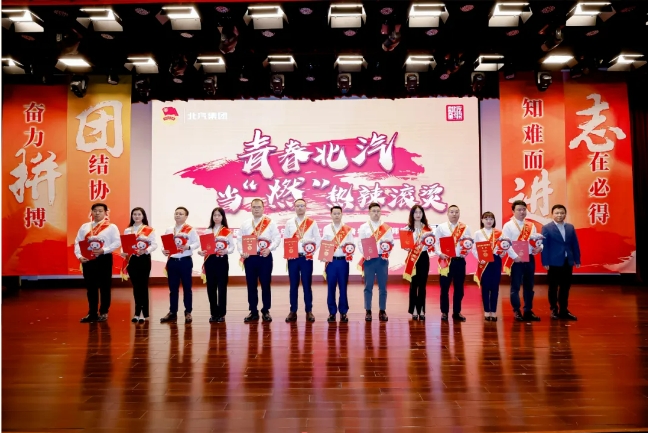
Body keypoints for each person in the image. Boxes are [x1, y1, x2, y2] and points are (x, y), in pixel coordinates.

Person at [74, 203, 121, 323]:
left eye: (100, 211)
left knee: (105, 286)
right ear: (91, 212)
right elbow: (77, 242)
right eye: (95, 210)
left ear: (105, 213)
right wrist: (79, 256)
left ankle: (104, 312)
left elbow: (117, 242)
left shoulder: (111, 227)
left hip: (104, 258)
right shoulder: (85, 227)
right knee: (91, 287)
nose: (97, 213)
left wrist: (104, 250)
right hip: (88, 259)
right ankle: (92, 313)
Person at [237, 198, 281, 323]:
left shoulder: (270, 223)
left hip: (265, 257)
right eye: (254, 207)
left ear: (263, 208)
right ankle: (253, 311)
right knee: (251, 285)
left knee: (265, 284)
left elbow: (277, 238)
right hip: (250, 258)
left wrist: (269, 249)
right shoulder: (245, 224)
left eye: (259, 207)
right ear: (251, 208)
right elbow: (239, 240)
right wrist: (242, 252)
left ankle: (266, 310)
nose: (256, 209)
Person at [502, 200, 543, 322]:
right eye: (519, 210)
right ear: (513, 211)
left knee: (529, 286)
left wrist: (539, 247)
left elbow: (536, 240)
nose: (522, 212)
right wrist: (515, 256)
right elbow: (505, 244)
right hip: (515, 260)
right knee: (515, 287)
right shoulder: (508, 226)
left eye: (524, 209)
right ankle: (517, 311)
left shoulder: (531, 225)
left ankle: (528, 310)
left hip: (529, 258)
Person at [283, 199, 321, 323]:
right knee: (293, 285)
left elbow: (318, 239)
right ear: (294, 207)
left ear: (305, 207)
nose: (300, 208)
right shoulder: (289, 222)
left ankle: (309, 310)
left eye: (302, 205)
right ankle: (293, 311)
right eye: (298, 206)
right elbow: (286, 239)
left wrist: (311, 251)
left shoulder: (312, 222)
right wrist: (288, 253)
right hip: (293, 258)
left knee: (307, 284)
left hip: (306, 258)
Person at [160, 207, 200, 324]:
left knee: (187, 288)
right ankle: (172, 312)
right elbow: (164, 244)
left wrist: (189, 247)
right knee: (173, 289)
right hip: (172, 261)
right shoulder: (169, 229)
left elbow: (197, 243)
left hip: (185, 261)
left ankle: (188, 312)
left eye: (181, 214)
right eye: (176, 213)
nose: (178, 215)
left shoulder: (190, 230)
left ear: (186, 216)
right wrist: (163, 250)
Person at [541, 204, 580, 321]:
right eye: (557, 213)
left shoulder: (570, 227)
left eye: (562, 213)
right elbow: (544, 246)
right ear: (552, 214)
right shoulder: (546, 228)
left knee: (565, 287)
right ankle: (554, 309)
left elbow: (575, 244)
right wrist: (545, 261)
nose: (559, 215)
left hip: (567, 261)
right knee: (553, 287)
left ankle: (564, 310)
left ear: (565, 214)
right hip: (553, 262)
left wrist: (577, 259)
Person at [434, 205, 472, 322]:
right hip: (446, 261)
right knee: (444, 287)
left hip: (459, 261)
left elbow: (469, 243)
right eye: (452, 212)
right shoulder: (441, 227)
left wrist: (466, 252)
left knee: (459, 288)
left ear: (459, 213)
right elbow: (435, 243)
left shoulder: (465, 228)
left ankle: (457, 312)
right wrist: (439, 253)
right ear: (447, 213)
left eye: (456, 212)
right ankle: (444, 312)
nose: (454, 214)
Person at [358, 202, 394, 322]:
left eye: (378, 211)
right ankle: (368, 310)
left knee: (383, 287)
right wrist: (365, 254)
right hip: (369, 260)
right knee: (368, 286)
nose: (376, 213)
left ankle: (382, 310)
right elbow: (360, 243)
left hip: (382, 259)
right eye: (373, 211)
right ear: (369, 212)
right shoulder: (364, 227)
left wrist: (386, 253)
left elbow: (391, 242)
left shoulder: (386, 227)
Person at [120, 207, 158, 324]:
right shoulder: (128, 230)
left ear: (143, 216)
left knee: (143, 286)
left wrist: (146, 250)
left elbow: (154, 244)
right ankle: (136, 313)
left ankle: (143, 313)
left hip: (144, 259)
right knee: (136, 286)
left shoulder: (149, 230)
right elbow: (124, 244)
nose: (136, 216)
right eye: (134, 214)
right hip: (132, 260)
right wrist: (123, 252)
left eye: (139, 214)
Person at [198, 207, 235, 323]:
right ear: (212, 217)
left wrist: (226, 251)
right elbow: (204, 247)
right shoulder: (207, 231)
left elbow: (232, 247)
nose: (217, 217)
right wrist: (201, 252)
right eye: (215, 215)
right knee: (211, 287)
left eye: (219, 215)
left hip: (222, 260)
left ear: (223, 217)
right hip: (210, 261)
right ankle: (213, 313)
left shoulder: (227, 231)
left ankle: (221, 313)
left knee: (222, 287)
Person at [322, 205, 355, 323]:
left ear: (342, 214)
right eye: (334, 213)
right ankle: (332, 312)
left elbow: (352, 244)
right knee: (331, 287)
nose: (336, 215)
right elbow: (323, 243)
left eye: (338, 213)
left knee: (343, 287)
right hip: (331, 262)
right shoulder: (326, 228)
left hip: (343, 262)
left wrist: (349, 250)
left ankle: (343, 312)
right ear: (331, 215)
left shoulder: (347, 229)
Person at [403, 204, 433, 321]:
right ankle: (414, 309)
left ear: (423, 214)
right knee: (413, 285)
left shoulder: (428, 229)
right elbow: (405, 245)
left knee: (422, 285)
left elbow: (432, 243)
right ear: (412, 214)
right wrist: (407, 247)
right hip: (412, 258)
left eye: (420, 212)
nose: (418, 214)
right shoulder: (407, 229)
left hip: (424, 257)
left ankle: (421, 309)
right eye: (415, 212)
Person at [472, 211, 503, 322]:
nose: (489, 221)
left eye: (491, 219)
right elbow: (474, 249)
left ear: (494, 221)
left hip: (496, 261)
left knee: (495, 287)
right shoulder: (478, 233)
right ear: (482, 220)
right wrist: (480, 258)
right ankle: (486, 311)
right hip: (484, 262)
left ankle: (493, 311)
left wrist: (502, 252)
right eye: (486, 219)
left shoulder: (499, 233)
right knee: (485, 287)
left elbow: (504, 246)